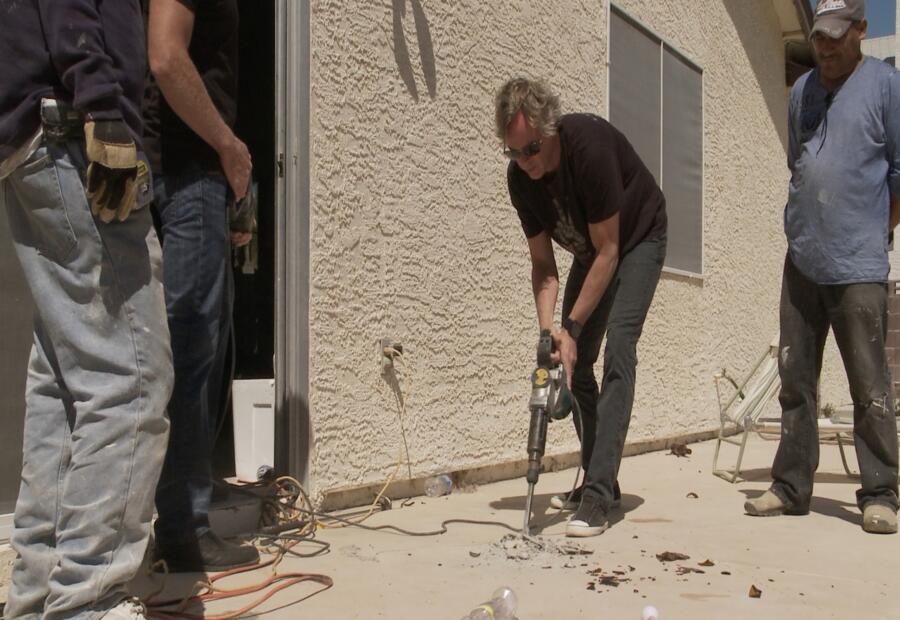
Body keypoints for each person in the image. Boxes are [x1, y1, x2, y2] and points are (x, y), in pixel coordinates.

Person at [0, 1, 173, 618]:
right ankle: (87, 602)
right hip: (71, 125)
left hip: (37, 129)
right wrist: (104, 104)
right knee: (129, 380)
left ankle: (39, 595)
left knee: (65, 383)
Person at [744, 0, 900, 534]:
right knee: (795, 378)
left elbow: (899, 172)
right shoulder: (804, 92)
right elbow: (799, 163)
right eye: (819, 37)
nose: (826, 46)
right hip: (803, 258)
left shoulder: (885, 85)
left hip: (858, 263)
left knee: (869, 385)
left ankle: (880, 493)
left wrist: (877, 229)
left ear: (861, 29)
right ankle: (790, 487)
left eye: (837, 34)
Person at [495, 78, 667, 537]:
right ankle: (600, 475)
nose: (526, 162)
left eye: (531, 149)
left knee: (618, 349)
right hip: (594, 255)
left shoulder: (587, 147)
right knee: (576, 366)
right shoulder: (521, 181)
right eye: (514, 153)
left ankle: (597, 496)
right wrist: (551, 331)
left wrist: (572, 325)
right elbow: (544, 267)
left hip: (637, 240)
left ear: (550, 128)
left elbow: (610, 250)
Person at [144, 0, 257, 570]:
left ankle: (152, 525)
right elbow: (166, 56)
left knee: (156, 353)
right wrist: (229, 148)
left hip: (180, 175)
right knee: (189, 353)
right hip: (186, 175)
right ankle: (183, 528)